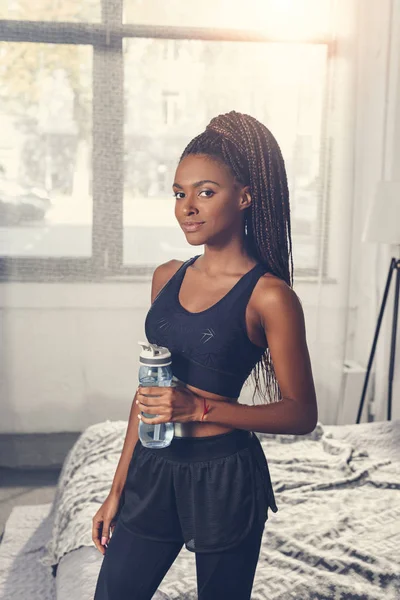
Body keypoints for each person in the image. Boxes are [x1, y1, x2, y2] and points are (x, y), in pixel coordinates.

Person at [92, 110, 318, 600]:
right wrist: (116, 489)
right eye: (179, 193)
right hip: (153, 468)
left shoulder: (270, 297)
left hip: (225, 477)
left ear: (245, 196)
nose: (187, 208)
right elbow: (148, 394)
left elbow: (302, 414)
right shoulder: (165, 276)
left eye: (205, 192)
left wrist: (198, 408)